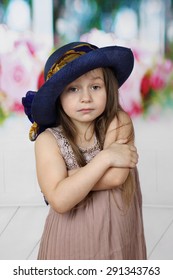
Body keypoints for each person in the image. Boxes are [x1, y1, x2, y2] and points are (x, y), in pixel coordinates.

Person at [22, 42, 147, 260]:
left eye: (95, 87)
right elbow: (60, 201)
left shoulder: (118, 121)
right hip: (68, 242)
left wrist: (67, 181)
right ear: (58, 97)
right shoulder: (48, 141)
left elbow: (116, 177)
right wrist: (106, 157)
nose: (86, 98)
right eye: (73, 89)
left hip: (116, 238)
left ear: (108, 89)